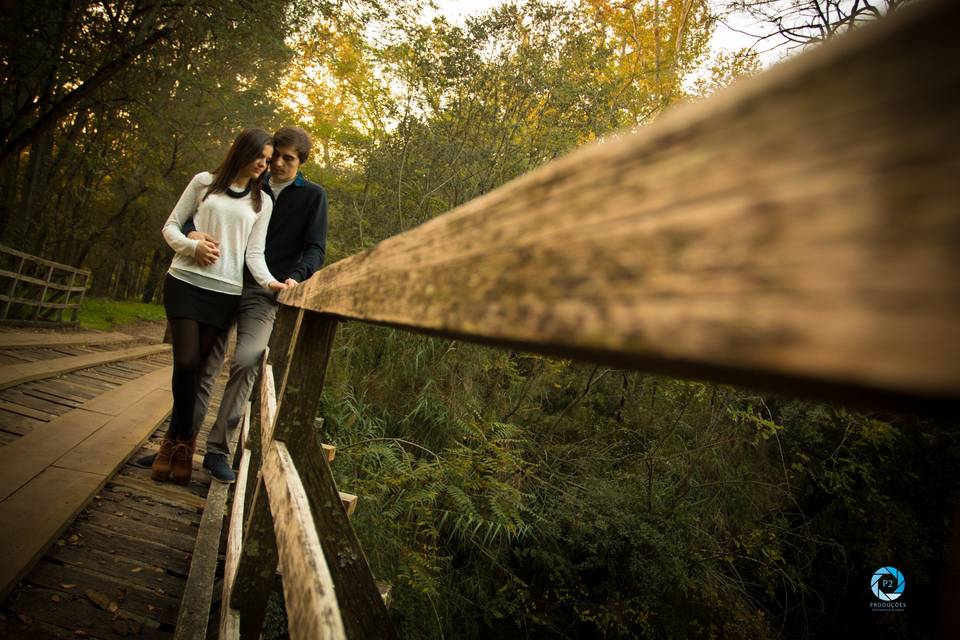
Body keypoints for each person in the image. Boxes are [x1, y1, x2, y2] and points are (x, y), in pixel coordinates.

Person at [139, 126, 327, 483]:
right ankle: (179, 443)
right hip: (220, 283)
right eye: (275, 157)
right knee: (200, 367)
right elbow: (203, 215)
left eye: (288, 159)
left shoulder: (311, 196)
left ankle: (217, 450)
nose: (277, 164)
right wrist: (192, 234)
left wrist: (294, 278)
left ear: (301, 162)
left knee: (247, 360)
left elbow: (315, 247)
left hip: (263, 292)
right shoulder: (248, 179)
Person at [154, 128, 288, 486]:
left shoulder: (263, 202)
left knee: (197, 370)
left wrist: (270, 283)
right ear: (241, 152)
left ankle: (175, 447)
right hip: (184, 282)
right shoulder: (204, 183)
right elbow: (170, 227)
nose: (264, 163)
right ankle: (180, 441)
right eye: (260, 156)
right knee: (184, 362)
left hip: (224, 293)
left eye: (268, 158)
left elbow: (254, 255)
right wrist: (190, 247)